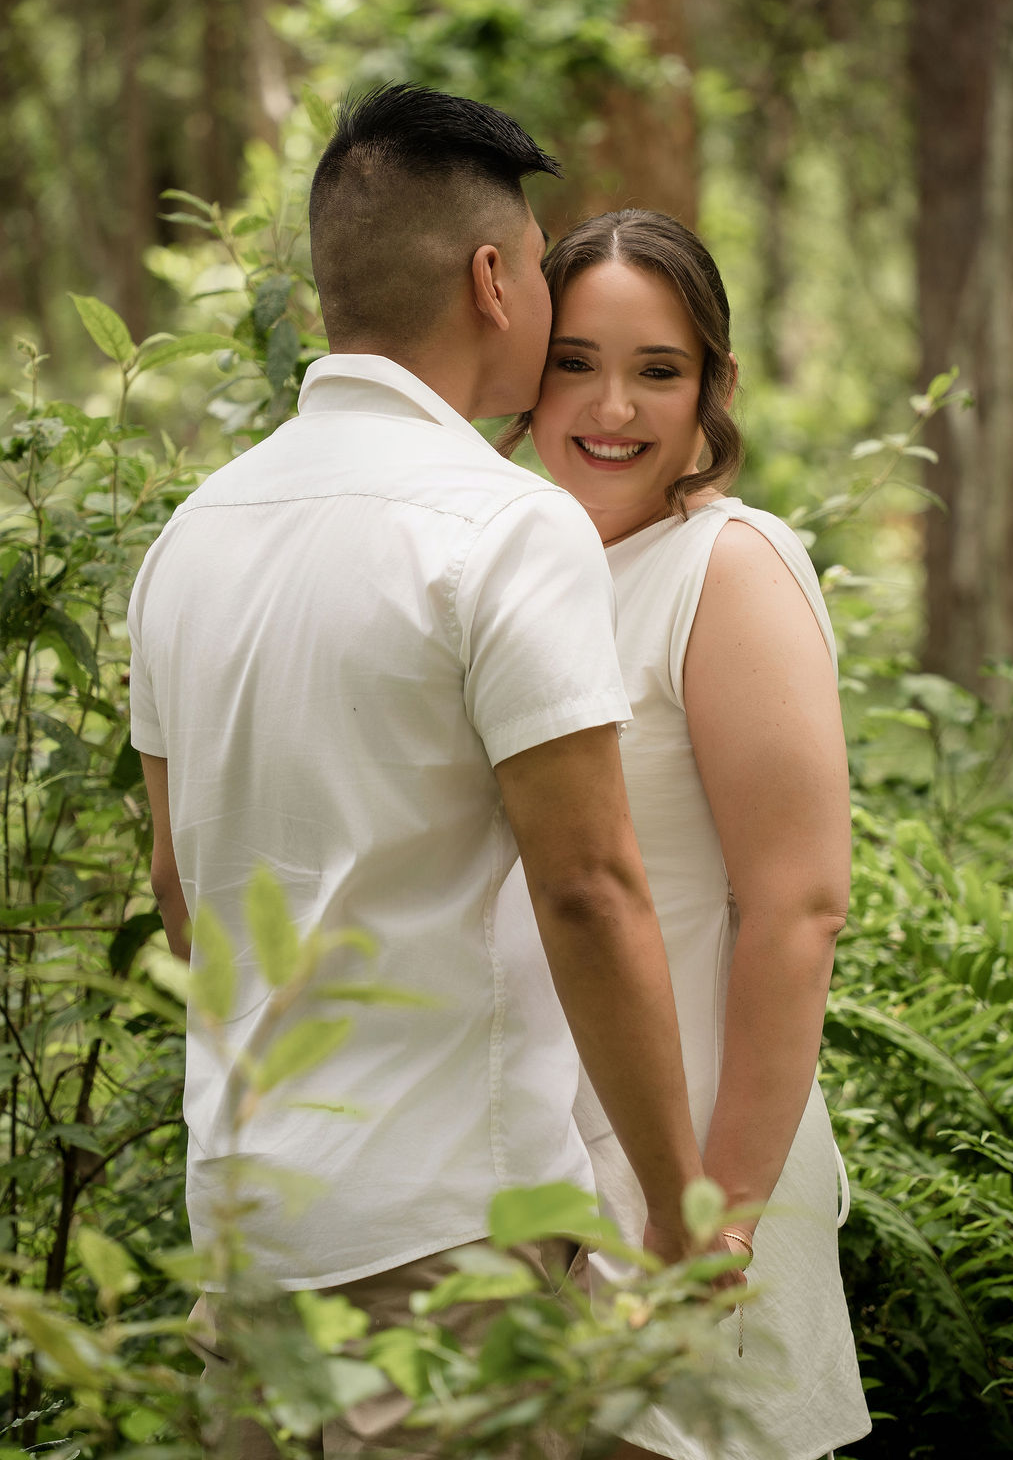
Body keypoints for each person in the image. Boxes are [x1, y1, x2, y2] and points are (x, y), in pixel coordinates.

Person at [127, 91, 714, 1457]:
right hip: (448, 1251)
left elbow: (180, 896)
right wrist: (681, 1209)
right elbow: (590, 890)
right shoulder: (508, 530)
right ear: (494, 278)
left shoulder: (191, 539)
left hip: (244, 1243)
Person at [498, 210, 872, 1460]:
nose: (613, 406)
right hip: (530, 1165)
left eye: (658, 369)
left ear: (714, 384)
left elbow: (798, 908)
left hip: (697, 1161)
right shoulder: (523, 572)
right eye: (576, 361)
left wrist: (717, 1215)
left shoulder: (728, 566)